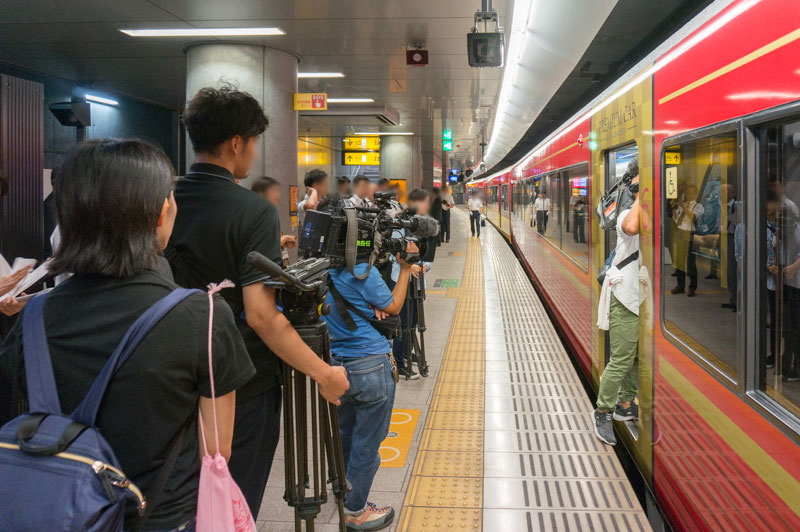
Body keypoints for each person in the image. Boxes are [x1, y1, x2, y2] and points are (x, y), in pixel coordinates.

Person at [0, 139, 257, 532]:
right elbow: (217, 449)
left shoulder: (31, 318)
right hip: (162, 518)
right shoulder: (202, 316)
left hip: (57, 515)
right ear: (160, 213)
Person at [166, 87, 348, 518]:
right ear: (236, 143)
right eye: (253, 141)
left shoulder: (164, 201)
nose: (254, 151)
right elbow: (261, 316)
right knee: (232, 501)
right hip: (240, 383)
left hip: (172, 374)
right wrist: (323, 373)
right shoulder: (254, 211)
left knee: (184, 500)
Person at [323, 236, 418, 531]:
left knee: (345, 434)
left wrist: (368, 306)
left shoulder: (323, 270)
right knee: (367, 442)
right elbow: (394, 306)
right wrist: (405, 269)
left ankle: (344, 492)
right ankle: (355, 511)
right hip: (370, 366)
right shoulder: (362, 272)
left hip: (337, 365)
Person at [593, 160, 641, 446]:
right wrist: (642, 192)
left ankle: (625, 404)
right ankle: (602, 411)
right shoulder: (626, 208)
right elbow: (632, 227)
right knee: (622, 358)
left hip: (638, 296)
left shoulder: (641, 206)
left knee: (634, 356)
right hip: (624, 296)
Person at [389, 188, 433, 380]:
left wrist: (424, 266)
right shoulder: (399, 224)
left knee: (413, 321)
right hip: (401, 280)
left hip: (417, 281)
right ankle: (399, 362)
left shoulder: (424, 225)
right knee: (403, 322)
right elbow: (392, 252)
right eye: (425, 202)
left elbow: (427, 252)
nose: (427, 206)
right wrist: (409, 266)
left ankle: (408, 352)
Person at [671, 184, 704, 297]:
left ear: (696, 194)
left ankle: (692, 287)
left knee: (691, 263)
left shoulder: (698, 206)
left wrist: (683, 206)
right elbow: (676, 220)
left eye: (690, 193)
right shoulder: (683, 204)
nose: (688, 196)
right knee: (679, 261)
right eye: (687, 193)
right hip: (681, 232)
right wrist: (674, 208)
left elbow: (693, 217)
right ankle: (680, 286)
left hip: (691, 234)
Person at [251, 176, 298, 251]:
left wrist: (284, 242)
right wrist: (285, 239)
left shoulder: (265, 212)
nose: (278, 196)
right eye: (274, 191)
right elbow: (264, 247)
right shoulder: (260, 215)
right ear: (261, 193)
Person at [722, 184, 741, 311]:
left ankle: (738, 300)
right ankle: (733, 298)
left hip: (734, 238)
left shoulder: (737, 205)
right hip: (725, 237)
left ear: (731, 193)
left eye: (723, 191)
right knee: (728, 269)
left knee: (734, 269)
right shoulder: (723, 206)